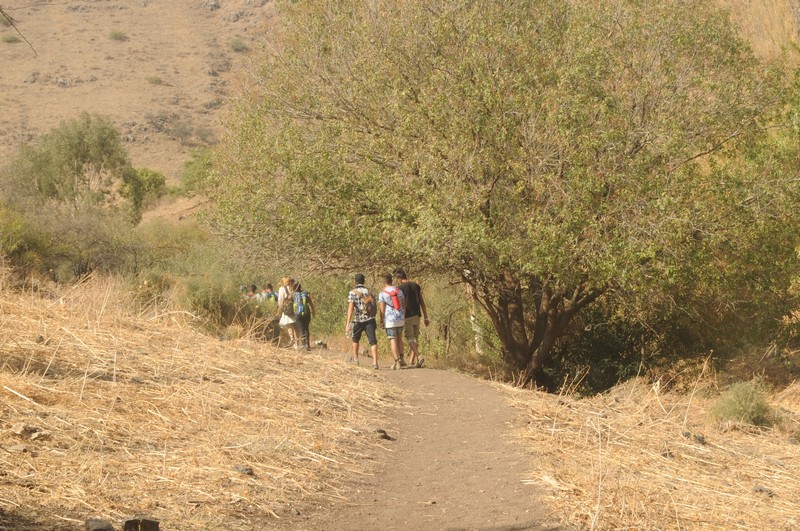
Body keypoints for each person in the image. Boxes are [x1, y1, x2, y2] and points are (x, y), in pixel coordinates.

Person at [394, 268, 429, 368]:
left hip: (407, 315)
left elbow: (399, 303)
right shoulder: (416, 286)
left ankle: (419, 356)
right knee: (415, 337)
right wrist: (426, 317)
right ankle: (412, 361)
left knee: (409, 338)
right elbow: (422, 302)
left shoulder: (400, 288)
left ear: (399, 279)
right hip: (417, 315)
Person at [345, 273, 379, 369]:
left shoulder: (352, 293)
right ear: (364, 281)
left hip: (358, 320)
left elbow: (351, 309)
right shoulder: (370, 292)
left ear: (355, 281)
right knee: (373, 341)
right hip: (370, 319)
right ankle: (375, 362)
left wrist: (348, 323)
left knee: (355, 340)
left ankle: (356, 360)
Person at [378, 273, 406, 370]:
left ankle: (397, 361)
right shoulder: (399, 291)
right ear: (391, 280)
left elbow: (382, 309)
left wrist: (381, 320)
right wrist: (403, 314)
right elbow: (403, 304)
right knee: (399, 338)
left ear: (384, 281)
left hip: (390, 320)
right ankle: (402, 359)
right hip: (400, 318)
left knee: (393, 340)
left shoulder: (382, 293)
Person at [292, 280, 316, 350]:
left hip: (298, 314)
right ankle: (307, 345)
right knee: (306, 328)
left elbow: (288, 301)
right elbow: (311, 303)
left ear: (293, 287)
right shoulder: (305, 293)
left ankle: (303, 345)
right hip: (307, 313)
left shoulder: (292, 294)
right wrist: (313, 311)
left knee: (301, 329)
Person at [277, 277, 299, 348]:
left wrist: (279, 309)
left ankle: (292, 340)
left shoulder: (282, 289)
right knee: (295, 326)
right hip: (295, 309)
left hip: (287, 309)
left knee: (289, 325)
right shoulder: (294, 288)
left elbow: (280, 300)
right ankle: (297, 343)